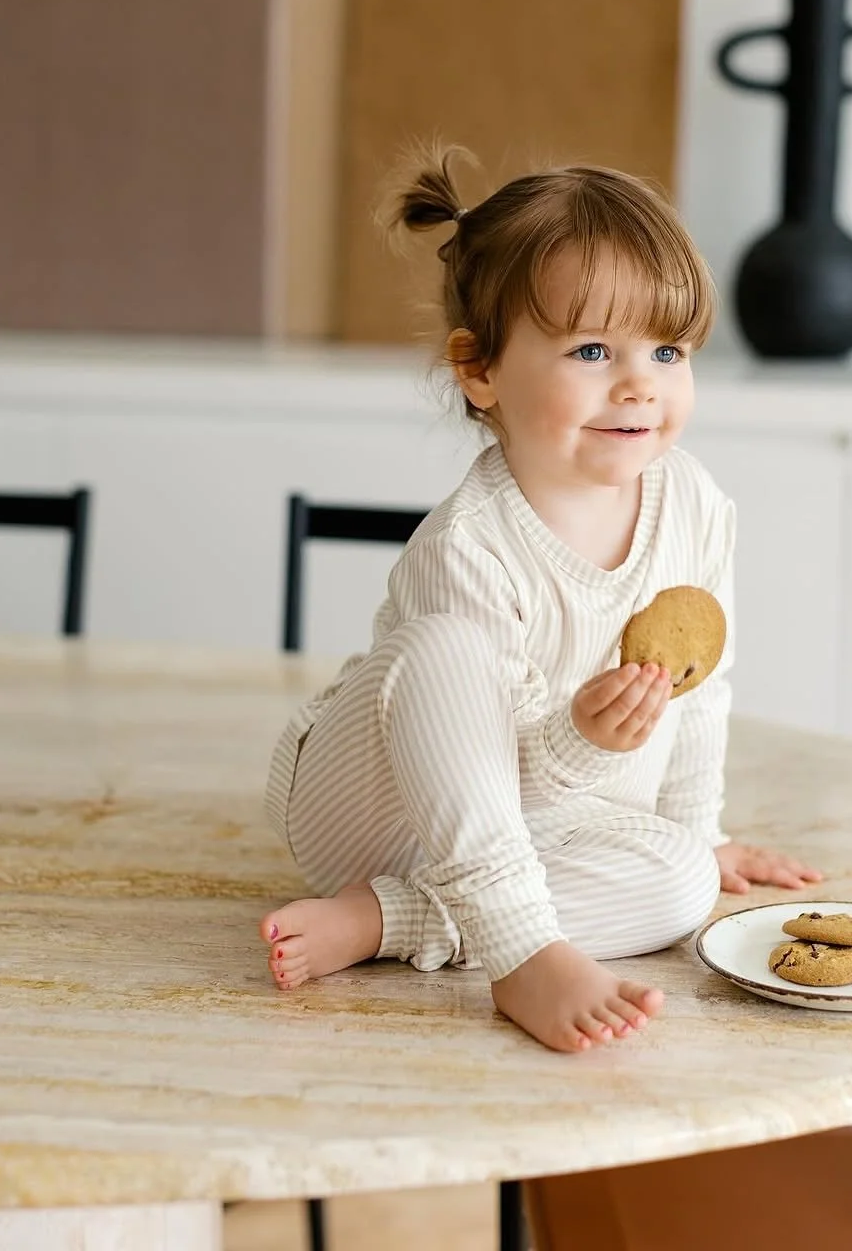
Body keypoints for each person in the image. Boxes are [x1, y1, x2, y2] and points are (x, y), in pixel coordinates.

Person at [261, 146, 821, 1053]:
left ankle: (391, 923)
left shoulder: (696, 507)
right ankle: (517, 954)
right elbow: (479, 755)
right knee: (447, 646)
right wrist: (582, 742)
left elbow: (699, 693)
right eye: (594, 350)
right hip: (377, 804)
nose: (640, 382)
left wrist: (694, 835)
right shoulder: (471, 544)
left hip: (535, 826)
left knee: (680, 885)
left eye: (667, 350)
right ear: (479, 372)